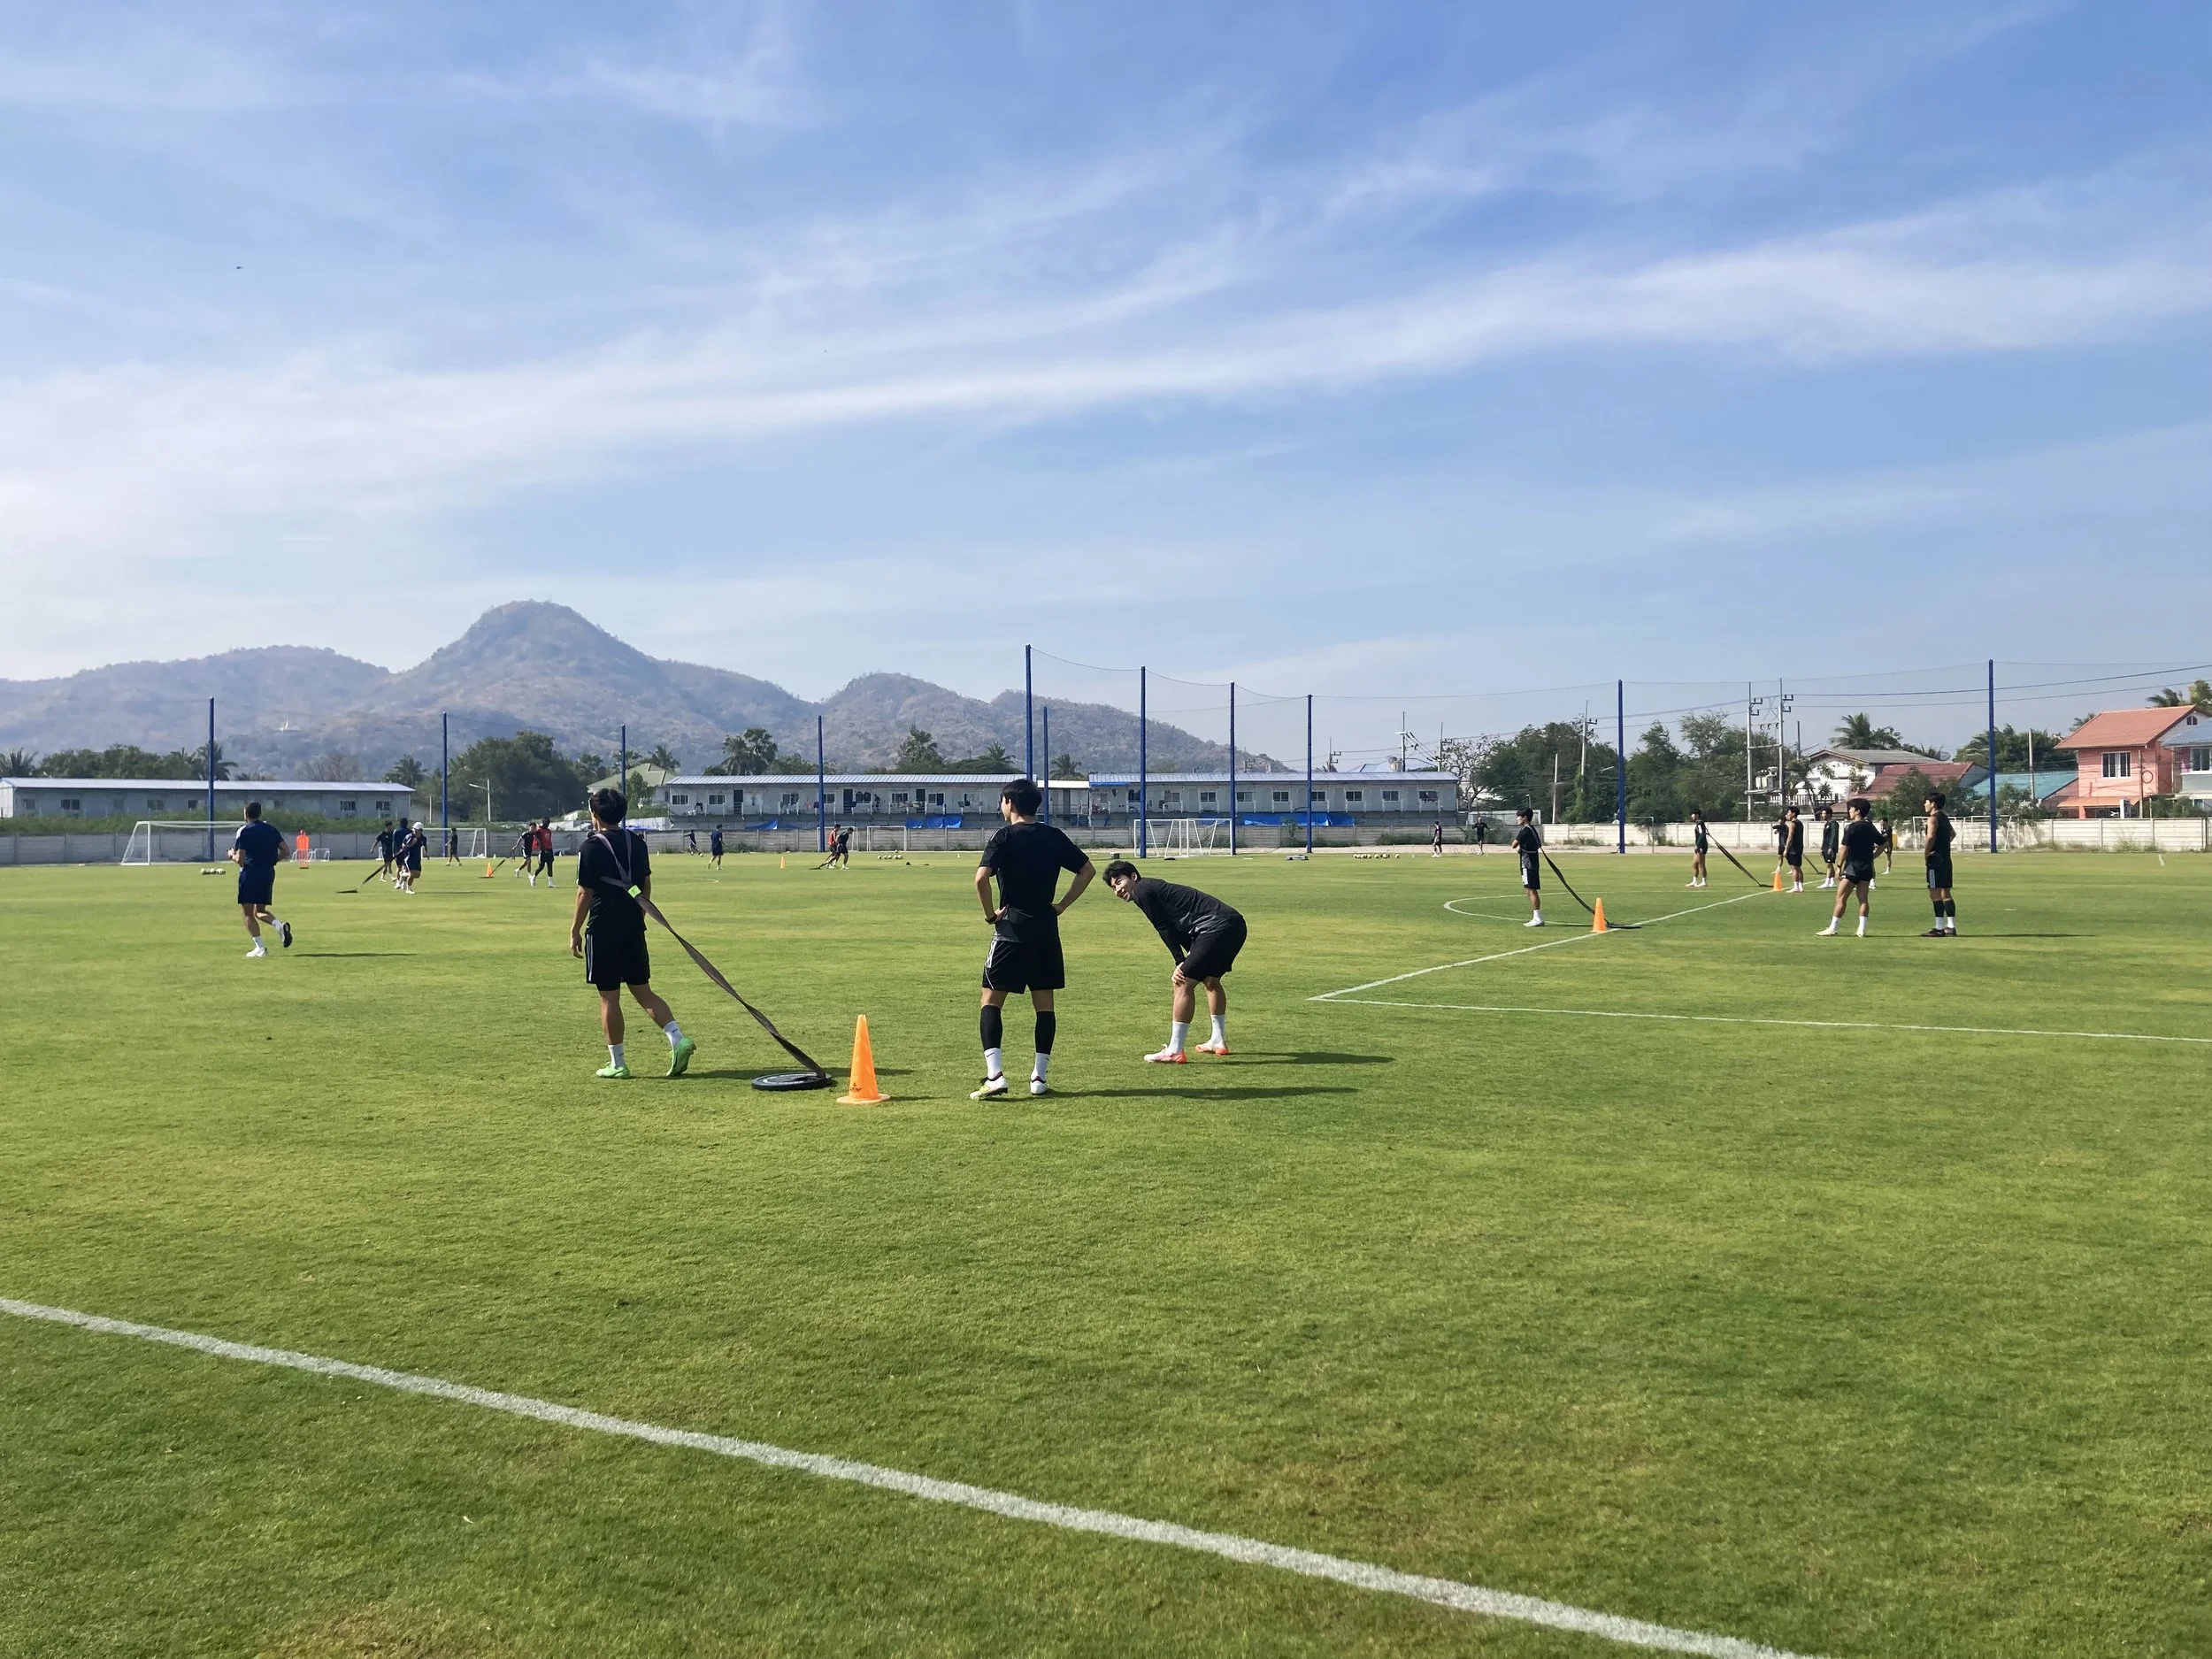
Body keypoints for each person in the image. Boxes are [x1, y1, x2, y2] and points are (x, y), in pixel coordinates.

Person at [972, 779, 1094, 1099]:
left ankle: (995, 1075)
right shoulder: (1054, 836)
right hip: (1046, 931)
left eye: (1002, 801)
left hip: (1011, 930)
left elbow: (981, 878)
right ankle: (1039, 1078)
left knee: (991, 1001)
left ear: (1010, 803)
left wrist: (990, 915)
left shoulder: (1003, 837)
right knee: (1044, 1005)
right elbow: (1087, 870)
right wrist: (1062, 905)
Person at [571, 788, 695, 1079]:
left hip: (602, 929)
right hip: (633, 927)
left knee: (609, 997)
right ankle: (678, 1038)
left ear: (595, 814)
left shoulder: (590, 847)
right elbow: (646, 884)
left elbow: (585, 893)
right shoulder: (637, 843)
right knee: (643, 991)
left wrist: (575, 930)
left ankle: (618, 1063)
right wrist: (640, 914)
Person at [1102, 860, 1247, 1063]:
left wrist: (1180, 961)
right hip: (1234, 925)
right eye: (1113, 887)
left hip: (1214, 927)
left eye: (1119, 882)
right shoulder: (1149, 888)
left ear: (1133, 877)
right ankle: (1217, 1040)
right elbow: (1179, 929)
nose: (1117, 890)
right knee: (1211, 980)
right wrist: (1189, 956)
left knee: (1182, 981)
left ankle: (1174, 1050)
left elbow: (1163, 927)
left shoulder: (1142, 890)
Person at [228, 801, 292, 957]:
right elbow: (286, 851)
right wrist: (272, 860)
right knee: (260, 911)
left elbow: (240, 859)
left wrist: (231, 855)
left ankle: (260, 948)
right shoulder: (271, 829)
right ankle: (279, 925)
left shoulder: (245, 831)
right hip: (268, 873)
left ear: (246, 814)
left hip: (250, 873)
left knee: (248, 913)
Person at [1819, 798, 1878, 937]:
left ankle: (1833, 927)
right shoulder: (1870, 826)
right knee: (1863, 899)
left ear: (1857, 811)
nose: (1849, 811)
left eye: (1851, 809)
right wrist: (1872, 856)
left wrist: (1839, 866)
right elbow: (1883, 843)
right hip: (1866, 867)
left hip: (1852, 867)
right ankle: (1861, 929)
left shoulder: (1851, 827)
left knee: (1841, 898)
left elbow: (1844, 848)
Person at [1923, 792, 1958, 936]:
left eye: (1926, 802)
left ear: (1933, 804)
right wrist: (1943, 845)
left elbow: (1930, 836)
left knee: (1935, 893)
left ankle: (1939, 928)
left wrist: (1926, 852)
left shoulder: (1932, 819)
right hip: (1946, 859)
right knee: (1946, 893)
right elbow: (1953, 834)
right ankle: (1951, 926)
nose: (1924, 804)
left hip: (1935, 860)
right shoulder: (1944, 817)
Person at [1512, 807, 1544, 926]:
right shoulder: (1533, 829)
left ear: (1525, 817)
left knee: (1530, 890)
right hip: (1534, 862)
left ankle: (1537, 918)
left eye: (1519, 816)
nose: (1517, 819)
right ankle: (1537, 917)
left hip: (1527, 864)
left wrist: (1520, 847)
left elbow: (1513, 844)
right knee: (1531, 889)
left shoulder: (1525, 830)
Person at [1778, 805, 1806, 893]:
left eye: (1789, 813)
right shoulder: (1800, 823)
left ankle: (1796, 887)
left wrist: (1786, 849)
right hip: (1799, 847)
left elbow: (1790, 837)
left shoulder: (1792, 824)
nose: (1787, 814)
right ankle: (1801, 886)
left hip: (1793, 848)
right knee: (1798, 868)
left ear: (1793, 814)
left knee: (1794, 868)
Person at [394, 818, 426, 893]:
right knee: (412, 873)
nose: (414, 830)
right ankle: (409, 888)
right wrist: (411, 844)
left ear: (421, 830)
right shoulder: (409, 837)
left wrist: (426, 852)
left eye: (416, 829)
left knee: (417, 875)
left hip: (417, 858)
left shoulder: (423, 838)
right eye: (414, 829)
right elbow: (403, 847)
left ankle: (402, 874)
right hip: (409, 857)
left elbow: (424, 844)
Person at [1816, 804, 1840, 888]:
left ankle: (1827, 882)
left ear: (1829, 814)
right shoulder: (1826, 824)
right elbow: (1825, 837)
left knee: (1829, 864)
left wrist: (1831, 847)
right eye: (1822, 814)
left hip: (1830, 847)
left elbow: (1834, 836)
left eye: (1824, 813)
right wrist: (1822, 848)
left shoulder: (1833, 824)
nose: (1822, 815)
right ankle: (1832, 881)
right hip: (1825, 847)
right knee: (1829, 864)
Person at [1687, 809, 1709, 888]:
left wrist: (1698, 845)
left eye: (1693, 814)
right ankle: (1694, 881)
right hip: (1698, 846)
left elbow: (1702, 834)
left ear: (1697, 815)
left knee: (1701, 864)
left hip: (1701, 846)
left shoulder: (1700, 823)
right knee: (1694, 864)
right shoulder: (1698, 823)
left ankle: (1704, 882)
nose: (1691, 816)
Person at [535, 819, 557, 888]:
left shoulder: (549, 831)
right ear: (543, 823)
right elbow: (539, 841)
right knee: (541, 866)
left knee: (550, 865)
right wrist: (543, 849)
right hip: (542, 850)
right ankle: (533, 877)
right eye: (546, 823)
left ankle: (550, 883)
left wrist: (551, 849)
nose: (547, 824)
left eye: (548, 823)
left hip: (549, 850)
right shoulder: (539, 831)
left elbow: (549, 841)